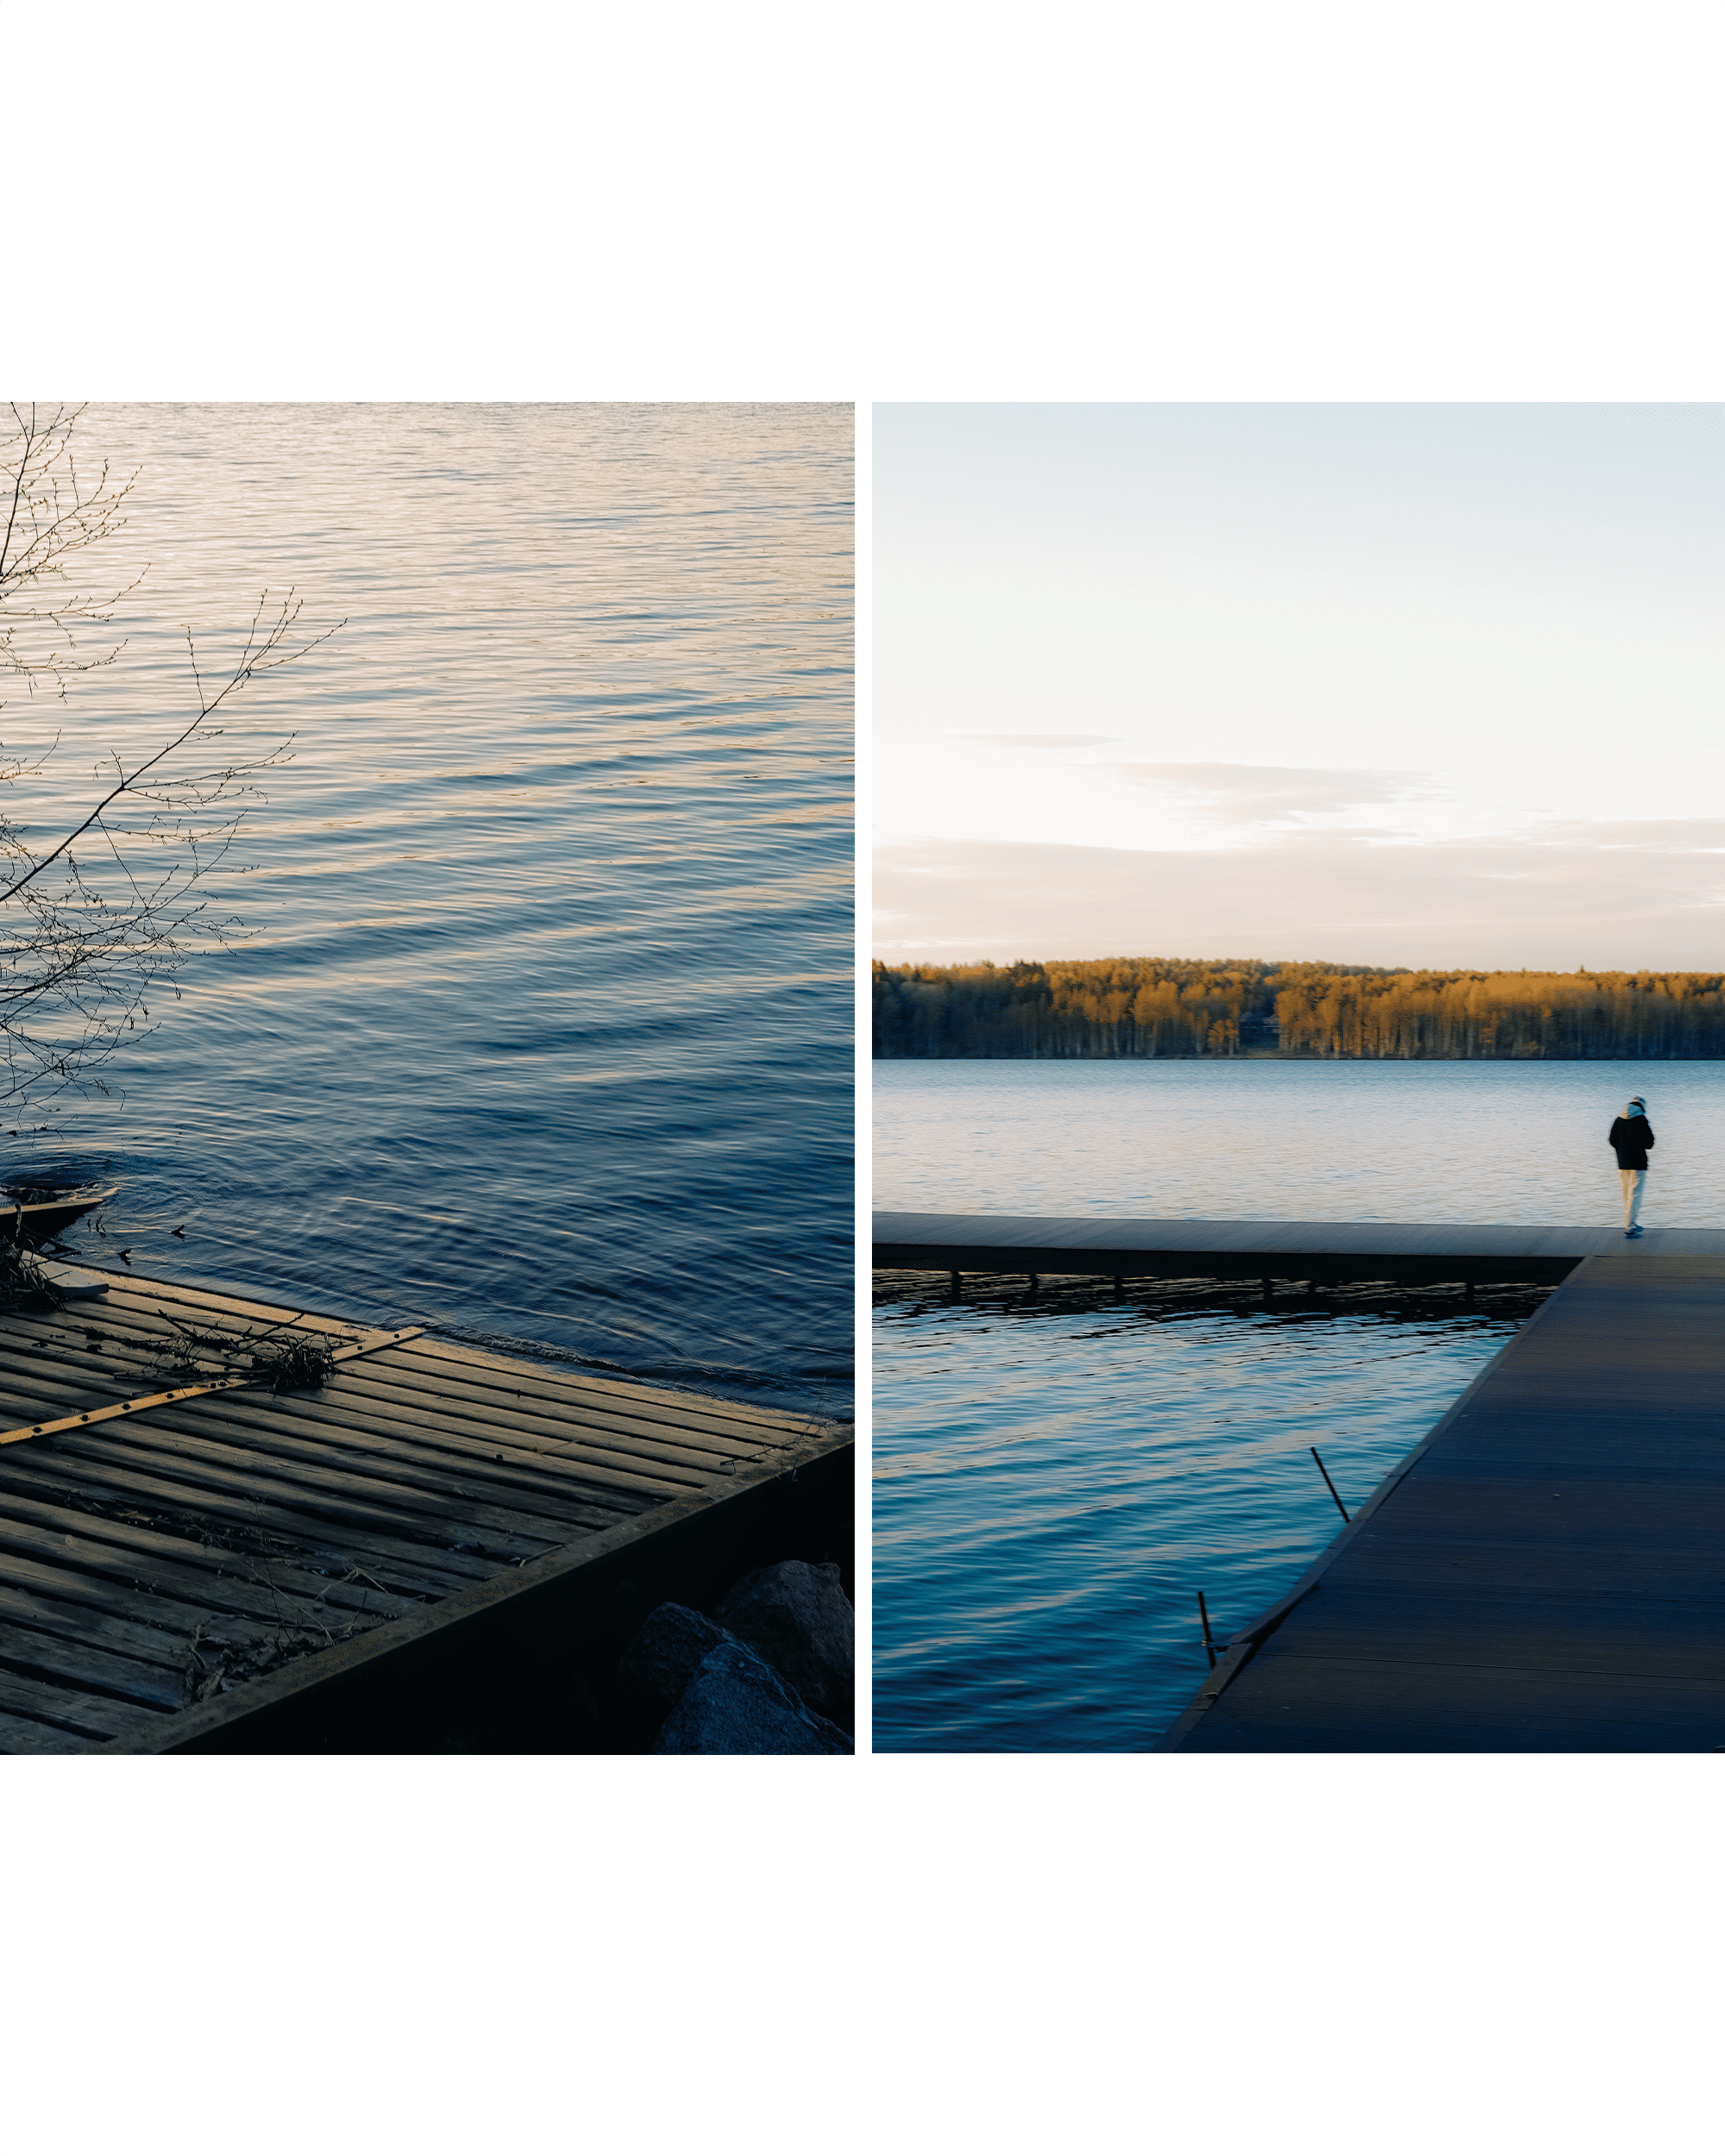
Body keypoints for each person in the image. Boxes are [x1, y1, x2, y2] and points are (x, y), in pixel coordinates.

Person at [1608, 1094, 1654, 1238]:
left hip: (1622, 1162)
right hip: (1638, 1163)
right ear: (1642, 1108)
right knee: (1635, 1194)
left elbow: (1612, 1140)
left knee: (1626, 1194)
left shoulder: (1618, 1119)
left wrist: (1622, 1149)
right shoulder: (1641, 1120)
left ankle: (1631, 1223)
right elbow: (1650, 1143)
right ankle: (1630, 1226)